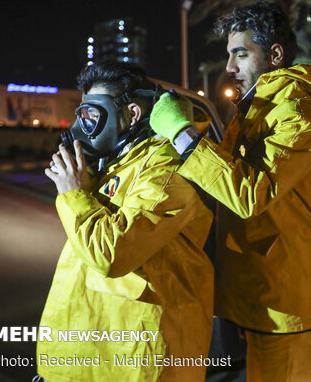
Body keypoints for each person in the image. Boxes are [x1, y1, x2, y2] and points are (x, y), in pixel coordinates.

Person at [151, 1, 311, 381]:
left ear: (274, 55)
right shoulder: (256, 112)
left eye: (240, 54)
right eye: (229, 55)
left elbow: (248, 195)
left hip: (289, 311)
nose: (230, 67)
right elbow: (222, 175)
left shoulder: (298, 117)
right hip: (259, 297)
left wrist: (185, 137)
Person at [37, 61, 214, 381]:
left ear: (132, 114)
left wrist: (75, 194)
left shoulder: (165, 168)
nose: (82, 128)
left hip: (134, 366)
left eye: (92, 115)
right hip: (85, 360)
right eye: (82, 116)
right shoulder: (119, 163)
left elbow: (111, 255)